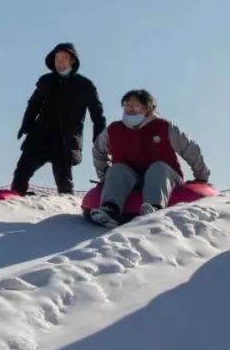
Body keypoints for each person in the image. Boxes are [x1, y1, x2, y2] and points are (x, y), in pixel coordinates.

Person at [89, 89, 211, 228]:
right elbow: (98, 150)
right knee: (117, 169)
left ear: (148, 108)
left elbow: (190, 148)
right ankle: (110, 209)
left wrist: (201, 176)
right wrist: (105, 176)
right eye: (127, 105)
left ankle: (153, 208)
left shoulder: (163, 127)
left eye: (135, 106)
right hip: (131, 178)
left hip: (164, 176)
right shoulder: (114, 130)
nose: (130, 110)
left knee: (157, 167)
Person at [11, 42, 105, 195]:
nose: (60, 64)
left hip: (66, 140)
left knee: (64, 181)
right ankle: (14, 199)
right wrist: (26, 124)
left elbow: (97, 114)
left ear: (72, 61)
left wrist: (99, 135)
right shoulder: (46, 81)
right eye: (57, 60)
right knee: (21, 172)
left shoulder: (85, 86)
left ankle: (66, 213)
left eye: (63, 59)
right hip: (40, 135)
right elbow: (34, 104)